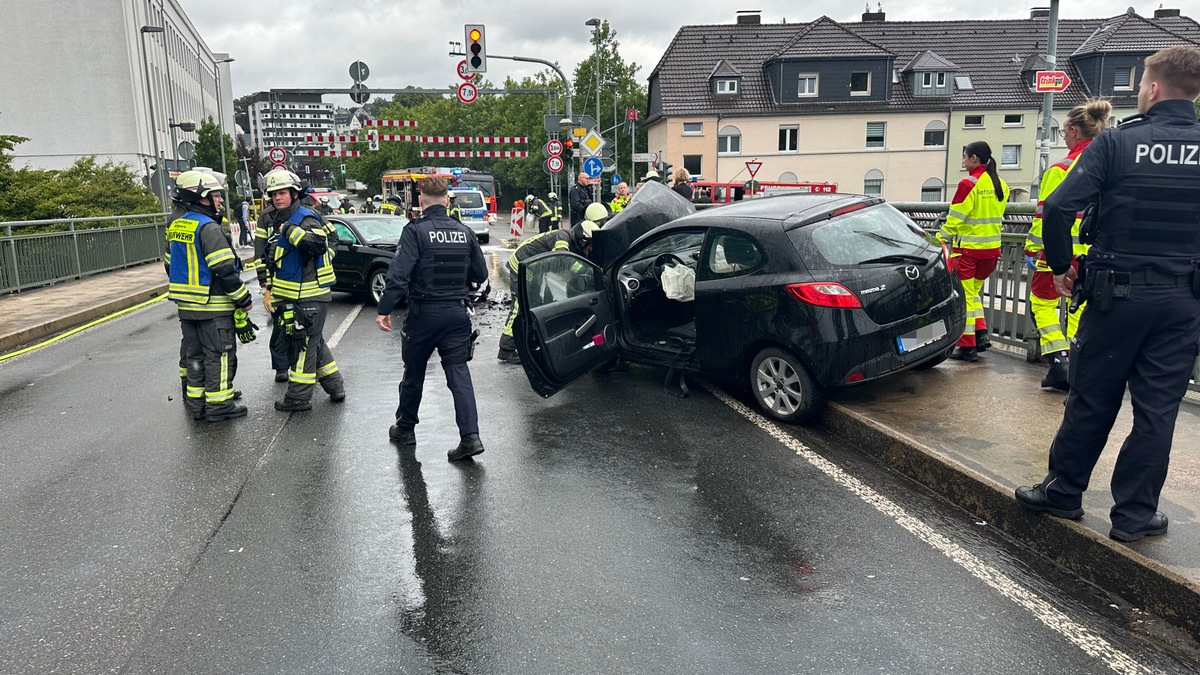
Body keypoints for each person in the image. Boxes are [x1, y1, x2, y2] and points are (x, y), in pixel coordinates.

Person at [1015, 46, 1200, 543]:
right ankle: (1135, 517)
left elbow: (1056, 209)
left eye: (1141, 83)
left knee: (1092, 399)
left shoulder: (1118, 144)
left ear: (1154, 89)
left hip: (1116, 296)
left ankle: (1063, 493)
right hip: (1183, 303)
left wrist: (1059, 269)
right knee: (1158, 412)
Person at [376, 176, 489, 461]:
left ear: (421, 201)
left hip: (423, 315)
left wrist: (384, 308)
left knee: (414, 373)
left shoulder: (415, 231)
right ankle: (470, 437)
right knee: (459, 375)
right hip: (455, 314)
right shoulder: (464, 232)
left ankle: (406, 429)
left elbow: (399, 275)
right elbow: (481, 274)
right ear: (448, 201)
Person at [1023, 99, 1112, 391]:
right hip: (1095, 256)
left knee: (1043, 303)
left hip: (1059, 254)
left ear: (1074, 131)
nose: (1062, 137)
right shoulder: (1108, 167)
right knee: (1079, 310)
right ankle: (1077, 365)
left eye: (1062, 132)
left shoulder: (1060, 169)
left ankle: (1058, 360)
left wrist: (1032, 249)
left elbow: (1045, 216)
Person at [164, 170, 253, 422]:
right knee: (219, 356)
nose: (220, 200)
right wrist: (243, 299)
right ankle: (219, 405)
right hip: (212, 306)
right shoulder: (208, 227)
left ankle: (197, 405)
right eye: (215, 195)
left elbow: (170, 264)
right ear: (201, 198)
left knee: (195, 358)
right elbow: (224, 269)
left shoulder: (178, 225)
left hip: (186, 307)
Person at [263, 169, 346, 411]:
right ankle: (335, 386)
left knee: (302, 346)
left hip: (308, 296)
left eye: (282, 193)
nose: (277, 198)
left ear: (294, 193)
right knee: (314, 341)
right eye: (274, 194)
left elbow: (319, 244)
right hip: (294, 296)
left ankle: (298, 398)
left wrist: (288, 230)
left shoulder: (304, 217)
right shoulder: (280, 218)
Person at [937, 141, 1009, 361]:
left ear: (974, 158)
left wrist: (939, 237)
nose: (963, 160)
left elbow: (955, 219)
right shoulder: (1001, 184)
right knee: (973, 294)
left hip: (968, 250)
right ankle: (981, 334)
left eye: (965, 156)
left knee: (966, 297)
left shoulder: (969, 183)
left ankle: (967, 346)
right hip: (992, 251)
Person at [496, 220, 600, 364]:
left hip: (534, 269)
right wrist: (585, 271)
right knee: (519, 307)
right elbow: (562, 257)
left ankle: (529, 341)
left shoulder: (572, 242)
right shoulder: (562, 238)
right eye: (588, 244)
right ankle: (506, 348)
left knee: (535, 304)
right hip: (520, 266)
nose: (589, 248)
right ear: (581, 239)